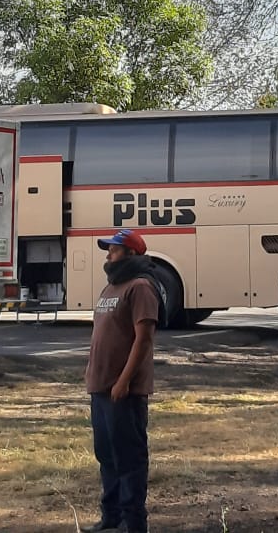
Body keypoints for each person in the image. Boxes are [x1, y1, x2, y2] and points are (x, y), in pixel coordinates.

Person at [83, 228, 160, 533]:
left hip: (123, 391)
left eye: (113, 250)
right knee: (106, 454)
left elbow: (143, 340)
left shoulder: (140, 287)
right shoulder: (110, 288)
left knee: (129, 457)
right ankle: (111, 516)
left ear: (130, 253)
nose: (108, 255)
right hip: (100, 387)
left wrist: (124, 381)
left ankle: (134, 522)